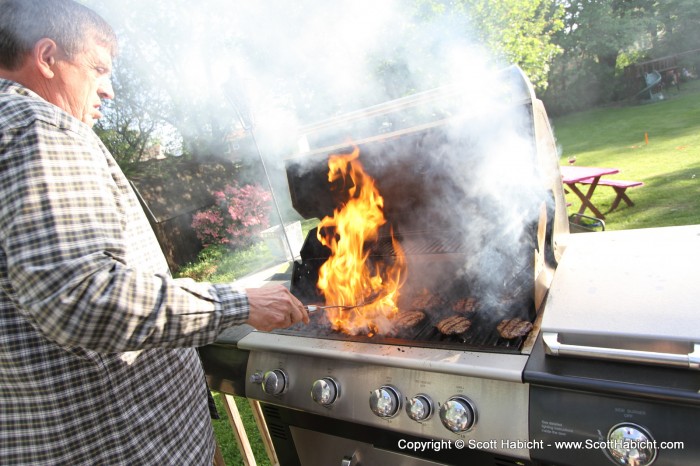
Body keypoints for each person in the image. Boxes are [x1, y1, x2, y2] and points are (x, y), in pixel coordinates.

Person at [0, 0, 309, 464]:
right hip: (126, 447)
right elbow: (82, 298)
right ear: (46, 57)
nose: (108, 90)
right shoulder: (39, 127)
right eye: (99, 69)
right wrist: (239, 303)